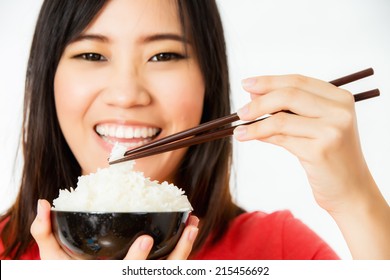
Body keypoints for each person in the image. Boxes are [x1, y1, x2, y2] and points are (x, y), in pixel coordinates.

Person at [1, 0, 389, 260]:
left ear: (209, 80)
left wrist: (355, 201)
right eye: (92, 54)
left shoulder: (277, 250)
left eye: (163, 55)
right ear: (46, 76)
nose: (127, 94)